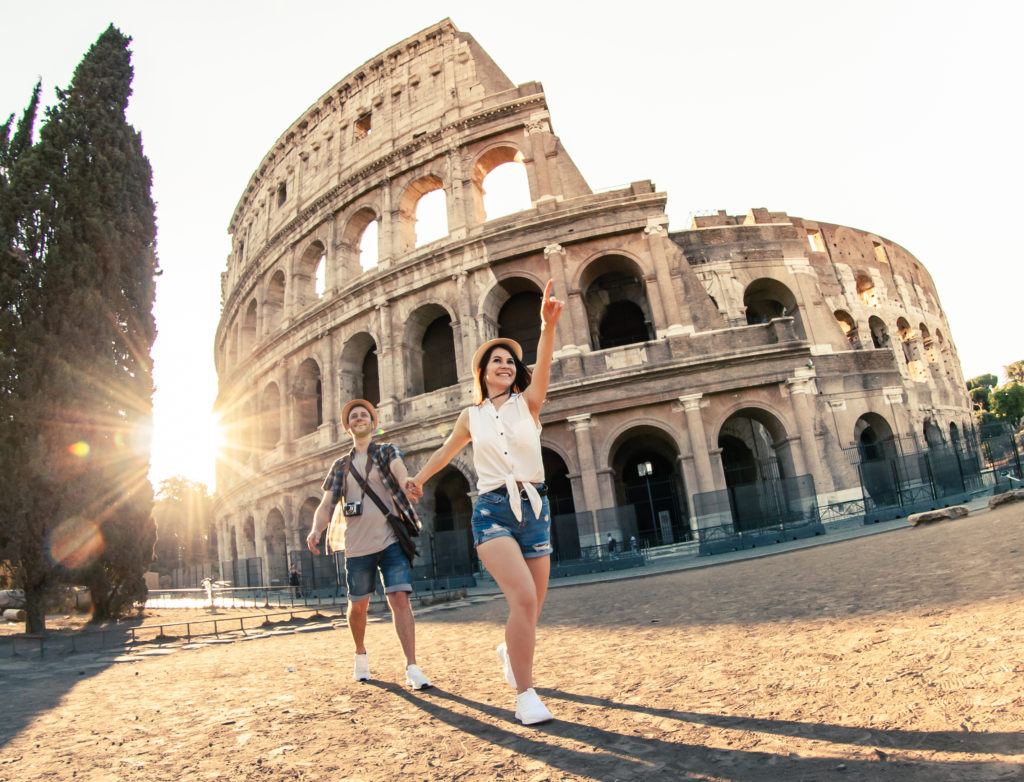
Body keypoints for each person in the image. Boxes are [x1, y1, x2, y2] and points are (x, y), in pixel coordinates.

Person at [406, 279, 563, 725]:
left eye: (511, 361)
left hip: (535, 509)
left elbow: (544, 365)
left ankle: (509, 650)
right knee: (524, 600)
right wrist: (417, 479)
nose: (506, 366)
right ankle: (525, 695)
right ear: (482, 371)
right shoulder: (470, 416)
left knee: (532, 607)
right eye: (497, 361)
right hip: (492, 511)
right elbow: (444, 453)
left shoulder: (529, 404)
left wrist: (546, 328)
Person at [306, 399, 431, 691]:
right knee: (358, 605)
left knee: (400, 598)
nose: (360, 418)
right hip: (357, 545)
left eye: (364, 415)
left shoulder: (388, 451)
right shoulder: (340, 466)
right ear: (348, 427)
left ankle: (412, 666)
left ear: (373, 424)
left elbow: (400, 471)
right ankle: (360, 654)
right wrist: (316, 529)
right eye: (354, 416)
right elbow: (326, 504)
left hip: (390, 539)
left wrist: (408, 481)